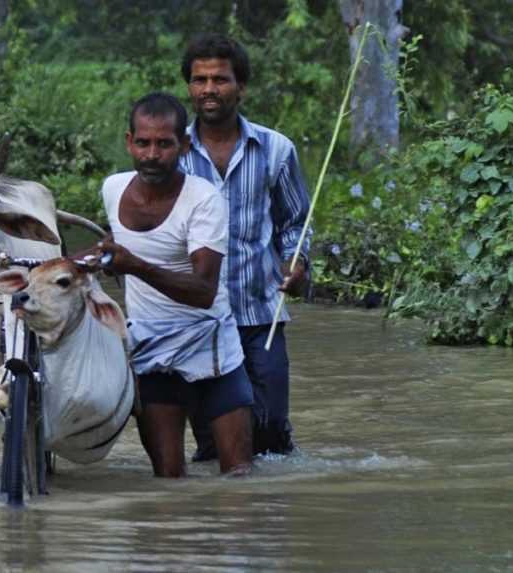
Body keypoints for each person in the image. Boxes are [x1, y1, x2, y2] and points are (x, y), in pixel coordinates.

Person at [96, 92, 253, 476]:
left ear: (184, 145)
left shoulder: (204, 199)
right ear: (128, 142)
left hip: (210, 339)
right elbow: (111, 252)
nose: (152, 154)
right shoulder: (113, 188)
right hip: (149, 345)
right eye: (144, 143)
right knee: (167, 481)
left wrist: (133, 264)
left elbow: (203, 291)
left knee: (239, 480)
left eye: (164, 144)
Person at [177, 33, 310, 458]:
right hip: (197, 321)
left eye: (220, 79)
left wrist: (297, 261)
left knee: (271, 437)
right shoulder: (169, 152)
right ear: (189, 88)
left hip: (260, 316)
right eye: (200, 80)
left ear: (241, 87)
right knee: (214, 443)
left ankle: (267, 516)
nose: (209, 90)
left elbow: (296, 223)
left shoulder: (276, 149)